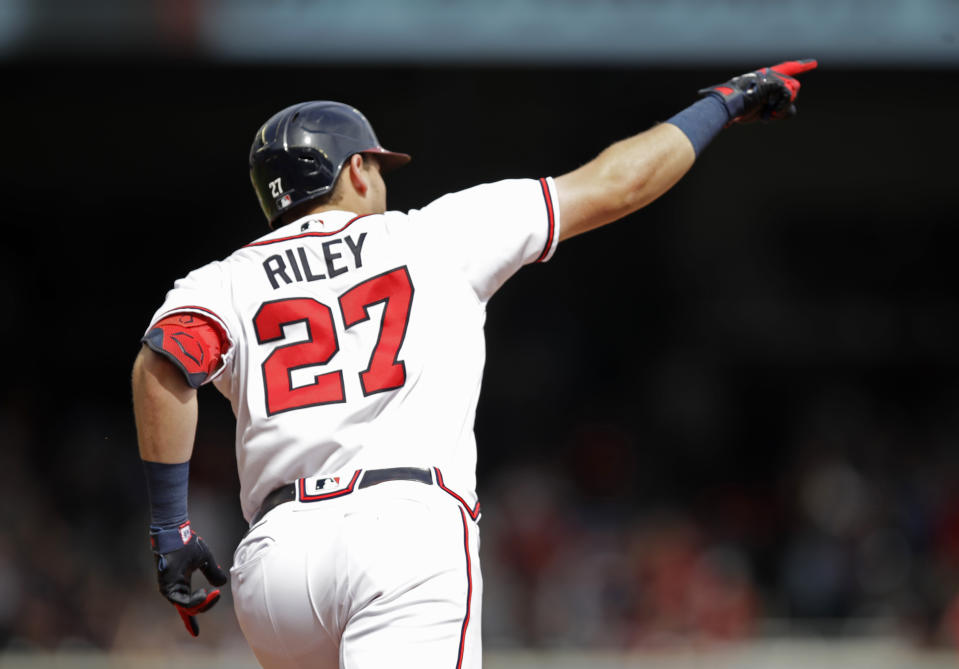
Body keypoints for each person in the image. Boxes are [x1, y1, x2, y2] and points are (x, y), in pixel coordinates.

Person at [131, 60, 817, 668]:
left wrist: (171, 532)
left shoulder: (221, 280)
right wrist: (720, 104)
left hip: (277, 558)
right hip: (402, 527)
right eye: (374, 163)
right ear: (351, 168)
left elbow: (161, 369)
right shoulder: (434, 233)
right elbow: (618, 183)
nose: (380, 177)